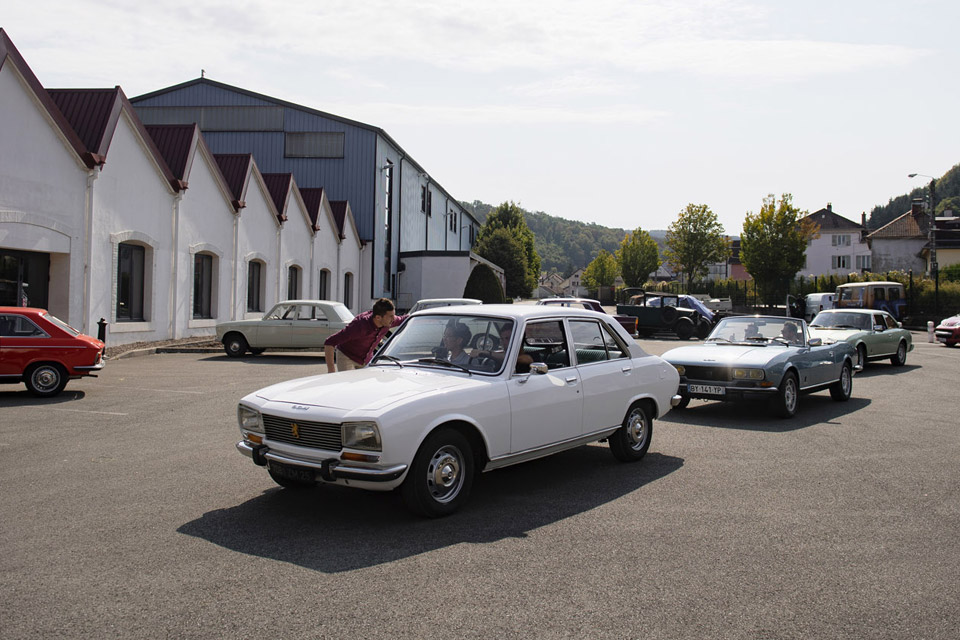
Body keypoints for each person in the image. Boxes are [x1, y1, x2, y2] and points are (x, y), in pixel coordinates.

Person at [323, 298, 405, 372]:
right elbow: (329, 342)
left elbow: (404, 319)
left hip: (365, 359)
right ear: (378, 318)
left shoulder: (389, 321)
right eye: (391, 316)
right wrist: (331, 370)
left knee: (365, 385)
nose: (394, 319)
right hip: (347, 356)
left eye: (394, 315)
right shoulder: (359, 326)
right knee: (347, 385)